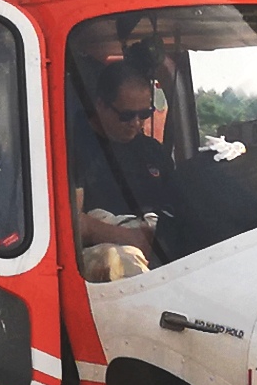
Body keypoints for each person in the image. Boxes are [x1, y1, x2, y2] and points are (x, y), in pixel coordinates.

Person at [70, 60, 186, 273]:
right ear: (101, 105)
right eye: (126, 115)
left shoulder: (152, 151)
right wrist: (131, 238)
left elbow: (178, 204)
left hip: (160, 247)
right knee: (117, 260)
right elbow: (72, 221)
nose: (136, 123)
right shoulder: (71, 147)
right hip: (101, 255)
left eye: (144, 114)